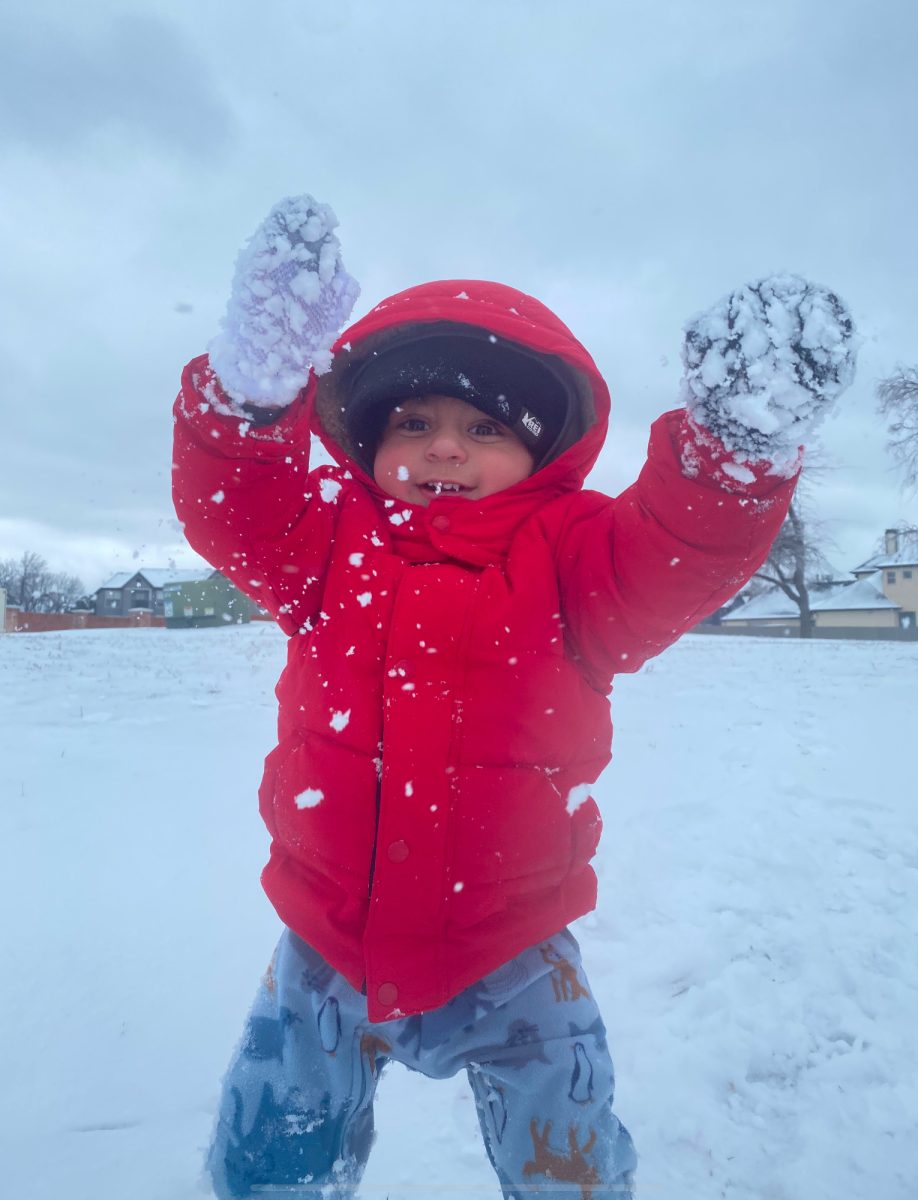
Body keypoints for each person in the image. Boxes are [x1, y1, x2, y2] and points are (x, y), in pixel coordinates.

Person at [172, 196, 857, 1199]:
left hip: (518, 945)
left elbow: (676, 553)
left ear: (542, 452)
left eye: (483, 427)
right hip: (326, 944)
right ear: (370, 440)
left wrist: (731, 459)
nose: (445, 447)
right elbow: (234, 505)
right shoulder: (322, 545)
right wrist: (252, 394)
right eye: (415, 422)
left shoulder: (577, 559)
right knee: (269, 1155)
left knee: (568, 1156)